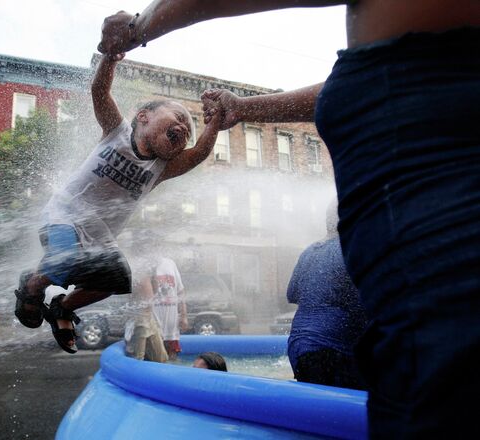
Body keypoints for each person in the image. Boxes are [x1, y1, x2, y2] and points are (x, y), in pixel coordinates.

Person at [98, 2, 480, 437]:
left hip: (429, 275)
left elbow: (295, 293)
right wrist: (245, 109)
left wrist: (136, 27)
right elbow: (359, 79)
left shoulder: (429, 77)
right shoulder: (429, 55)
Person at [14, 51, 223, 355]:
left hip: (100, 237)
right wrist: (111, 55)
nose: (184, 129)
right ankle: (32, 287)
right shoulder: (117, 132)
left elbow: (201, 153)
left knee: (119, 277)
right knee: (65, 255)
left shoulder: (160, 170)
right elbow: (100, 91)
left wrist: (215, 121)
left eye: (188, 131)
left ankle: (62, 307)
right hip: (64, 216)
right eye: (178, 118)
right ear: (144, 116)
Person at [287, 201, 367, 390]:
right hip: (331, 349)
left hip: (298, 346)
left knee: (317, 409)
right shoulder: (348, 250)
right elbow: (362, 303)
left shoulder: (309, 252)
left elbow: (291, 294)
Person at [124, 259, 168, 363]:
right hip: (138, 317)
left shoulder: (149, 268)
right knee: (138, 359)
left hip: (148, 316)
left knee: (161, 358)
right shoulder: (137, 267)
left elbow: (155, 290)